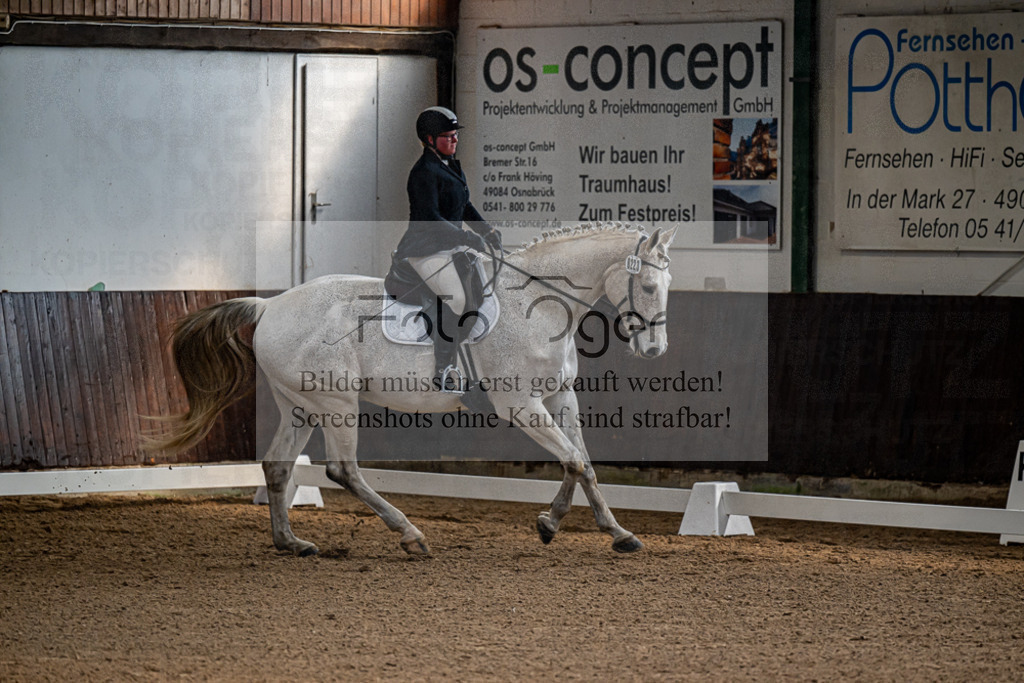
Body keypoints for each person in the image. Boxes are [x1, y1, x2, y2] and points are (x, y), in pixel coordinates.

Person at [392, 106, 501, 393]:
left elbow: (463, 205)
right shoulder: (423, 173)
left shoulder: (451, 165)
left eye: (455, 135)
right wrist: (466, 237)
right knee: (457, 300)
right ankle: (444, 370)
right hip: (425, 249)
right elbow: (431, 218)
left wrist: (486, 230)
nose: (454, 140)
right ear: (429, 139)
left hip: (450, 246)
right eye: (447, 136)